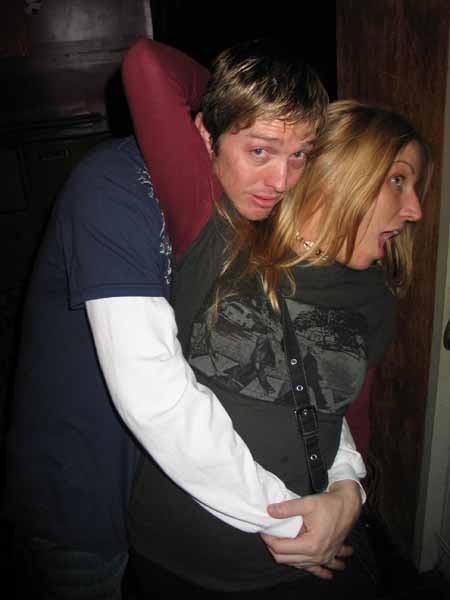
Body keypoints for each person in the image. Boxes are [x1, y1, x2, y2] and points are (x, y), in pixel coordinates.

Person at [4, 39, 364, 600]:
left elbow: (304, 361)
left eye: (300, 155)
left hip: (177, 502)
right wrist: (292, 519)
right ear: (203, 131)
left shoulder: (247, 208)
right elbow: (155, 394)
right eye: (262, 150)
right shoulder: (115, 188)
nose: (283, 180)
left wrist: (346, 482)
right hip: (88, 491)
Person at [127, 99, 431, 597]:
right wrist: (282, 129)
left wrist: (349, 494)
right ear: (339, 168)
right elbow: (148, 74)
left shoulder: (375, 298)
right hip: (182, 556)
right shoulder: (222, 238)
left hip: (310, 559)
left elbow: (340, 419)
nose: (415, 209)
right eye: (398, 179)